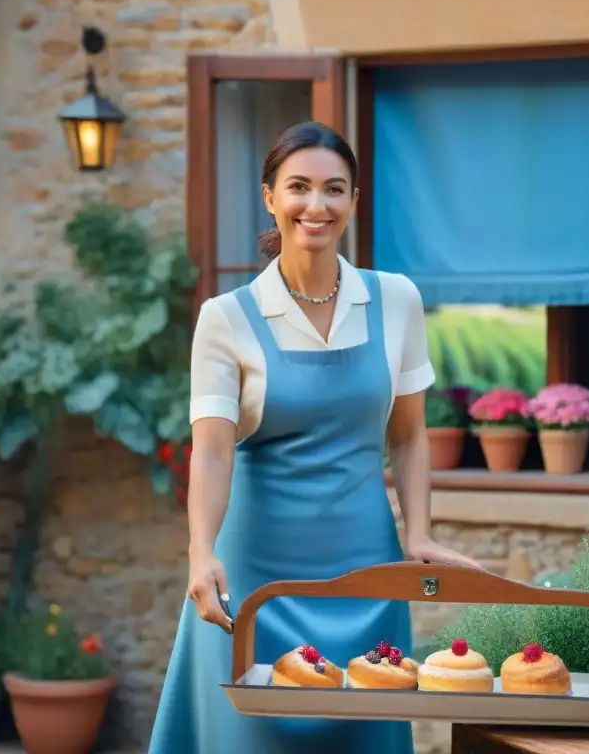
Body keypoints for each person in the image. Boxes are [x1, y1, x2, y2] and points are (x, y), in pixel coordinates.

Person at [149, 121, 482, 754]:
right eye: (298, 187)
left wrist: (419, 532)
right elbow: (213, 449)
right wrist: (200, 550)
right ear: (270, 196)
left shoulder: (396, 300)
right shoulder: (225, 318)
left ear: (354, 202)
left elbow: (409, 436)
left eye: (335, 189)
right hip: (253, 577)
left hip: (365, 572)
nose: (316, 205)